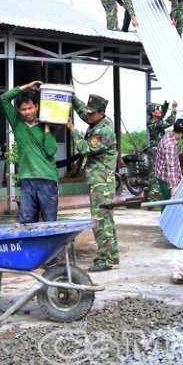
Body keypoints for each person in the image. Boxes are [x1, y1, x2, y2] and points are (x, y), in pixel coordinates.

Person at [66, 94, 119, 272]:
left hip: (101, 183)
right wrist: (72, 98)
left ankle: (105, 259)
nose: (87, 116)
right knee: (107, 219)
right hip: (100, 182)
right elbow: (83, 111)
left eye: (92, 113)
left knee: (101, 221)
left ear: (101, 113)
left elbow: (84, 147)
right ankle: (113, 254)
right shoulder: (97, 121)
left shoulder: (103, 131)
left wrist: (72, 130)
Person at [0, 80, 59, 223]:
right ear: (19, 111)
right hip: (27, 180)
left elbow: (51, 151)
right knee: (26, 221)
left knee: (50, 221)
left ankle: (50, 246)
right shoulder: (17, 123)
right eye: (23, 109)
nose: (27, 112)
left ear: (37, 106)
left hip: (48, 179)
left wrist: (46, 129)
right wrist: (27, 86)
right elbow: (4, 98)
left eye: (30, 108)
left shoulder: (48, 124)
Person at [146, 100, 177, 202]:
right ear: (152, 113)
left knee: (159, 173)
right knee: (154, 176)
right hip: (155, 151)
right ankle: (154, 200)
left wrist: (166, 103)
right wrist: (173, 110)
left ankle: (157, 199)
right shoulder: (153, 122)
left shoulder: (155, 119)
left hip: (158, 150)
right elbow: (170, 122)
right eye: (157, 110)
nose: (160, 111)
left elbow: (162, 113)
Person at [154, 118, 183, 201]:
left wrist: (179, 174)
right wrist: (173, 187)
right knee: (169, 204)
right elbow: (170, 166)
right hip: (167, 178)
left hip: (164, 176)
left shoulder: (169, 136)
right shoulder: (170, 145)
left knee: (167, 203)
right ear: (182, 132)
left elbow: (175, 159)